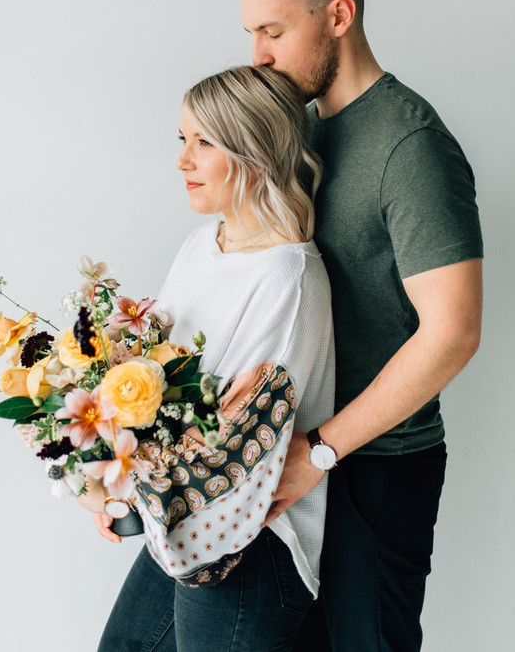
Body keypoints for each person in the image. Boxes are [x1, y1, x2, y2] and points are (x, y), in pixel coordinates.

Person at [240, 0, 484, 651]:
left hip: (376, 468)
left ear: (338, 15)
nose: (259, 54)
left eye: (274, 31)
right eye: (252, 33)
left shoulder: (411, 146)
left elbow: (453, 332)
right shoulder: (306, 131)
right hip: (297, 458)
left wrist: (320, 451)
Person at [79, 65, 336, 651]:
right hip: (187, 518)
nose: (182, 161)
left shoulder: (287, 279)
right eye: (182, 140)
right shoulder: (204, 244)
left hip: (250, 543)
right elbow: (154, 379)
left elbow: (225, 437)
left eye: (204, 143)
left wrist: (127, 489)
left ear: (254, 151)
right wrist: (107, 473)